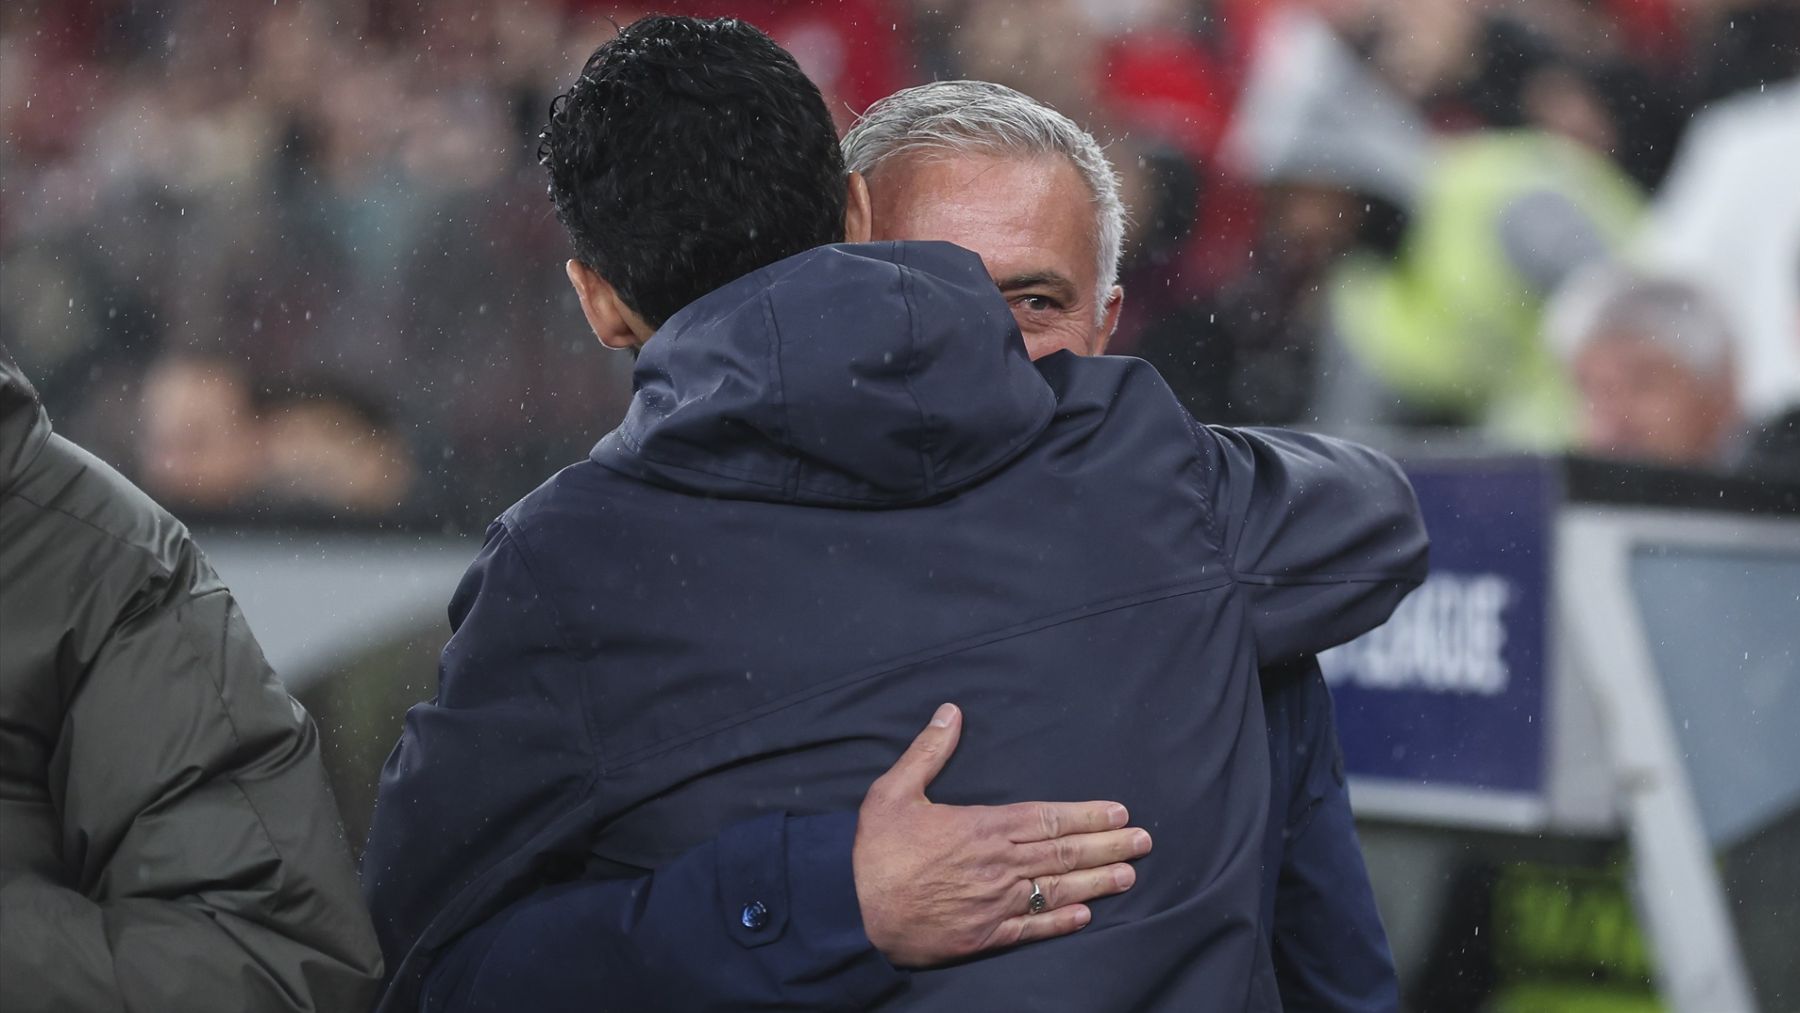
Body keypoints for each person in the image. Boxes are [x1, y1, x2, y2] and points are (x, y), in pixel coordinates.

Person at [363, 16, 1427, 1012]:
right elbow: (429, 967)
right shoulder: (579, 564)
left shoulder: (1184, 511)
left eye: (1035, 302)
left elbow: (1333, 970)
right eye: (926, 284)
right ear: (844, 241)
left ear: (1109, 321)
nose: (987, 344)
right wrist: (825, 898)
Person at [0, 353, 384, 1012]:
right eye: (160, 442)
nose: (173, 468)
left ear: (263, 445)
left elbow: (269, 961)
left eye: (198, 442)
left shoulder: (115, 576)